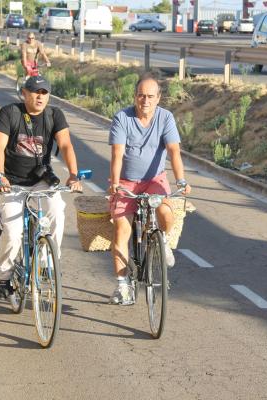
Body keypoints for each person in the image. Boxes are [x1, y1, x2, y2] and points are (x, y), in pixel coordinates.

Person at [0, 75, 82, 298]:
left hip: (42, 180)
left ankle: (45, 265)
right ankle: (4, 276)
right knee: (12, 232)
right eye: (35, 92)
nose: (40, 97)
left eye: (44, 93)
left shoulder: (54, 115)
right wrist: (0, 176)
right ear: (24, 93)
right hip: (11, 181)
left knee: (57, 212)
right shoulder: (9, 113)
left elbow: (66, 145)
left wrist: (73, 175)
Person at [107, 74, 192, 306]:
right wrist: (115, 184)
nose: (145, 100)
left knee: (165, 211)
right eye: (141, 95)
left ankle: (163, 241)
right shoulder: (122, 118)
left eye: (150, 96)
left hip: (155, 179)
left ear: (159, 98)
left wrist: (181, 180)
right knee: (121, 230)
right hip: (126, 182)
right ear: (135, 96)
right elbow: (116, 154)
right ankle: (122, 285)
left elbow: (174, 151)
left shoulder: (166, 118)